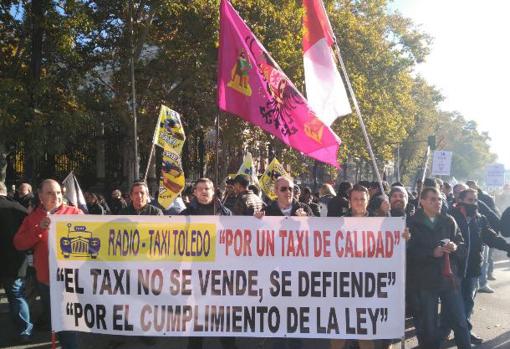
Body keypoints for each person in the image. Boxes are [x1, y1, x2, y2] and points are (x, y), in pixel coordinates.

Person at [13, 179, 83, 349]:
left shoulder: (75, 213)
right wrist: (38, 229)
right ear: (40, 195)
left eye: (58, 192)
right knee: (58, 323)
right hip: (47, 282)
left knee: (67, 326)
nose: (56, 196)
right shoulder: (34, 217)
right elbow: (19, 243)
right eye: (50, 193)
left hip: (71, 281)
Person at [407, 187, 471, 349]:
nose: (437, 202)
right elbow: (408, 251)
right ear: (422, 201)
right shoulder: (412, 223)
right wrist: (431, 253)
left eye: (440, 199)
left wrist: (455, 247)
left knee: (460, 321)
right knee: (429, 326)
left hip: (449, 279)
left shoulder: (449, 220)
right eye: (432, 199)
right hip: (425, 281)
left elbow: (461, 244)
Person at [255, 176, 311, 349]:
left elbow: (320, 235)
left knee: (296, 313)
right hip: (274, 272)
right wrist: (254, 223)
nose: (288, 192)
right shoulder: (266, 210)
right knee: (276, 312)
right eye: (284, 189)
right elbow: (254, 238)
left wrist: (308, 221)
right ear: (275, 191)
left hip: (298, 271)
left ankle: (295, 343)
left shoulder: (305, 209)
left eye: (291, 189)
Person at [448, 188, 510, 344]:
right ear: (460, 200)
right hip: (454, 269)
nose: (474, 203)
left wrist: (507, 247)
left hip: (473, 268)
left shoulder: (480, 219)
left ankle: (465, 332)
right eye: (470, 200)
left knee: (468, 302)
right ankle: (447, 332)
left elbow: (491, 237)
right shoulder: (450, 217)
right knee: (454, 305)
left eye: (475, 200)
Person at [181, 178, 235, 349]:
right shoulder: (185, 215)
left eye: (207, 188)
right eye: (200, 189)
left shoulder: (225, 213)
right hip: (197, 273)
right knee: (198, 315)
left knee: (224, 315)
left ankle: (229, 345)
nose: (204, 192)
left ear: (213, 191)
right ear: (195, 192)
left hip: (221, 272)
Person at [0, 182, 33, 343]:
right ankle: (24, 330)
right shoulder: (19, 208)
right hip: (15, 260)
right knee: (17, 296)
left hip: (9, 258)